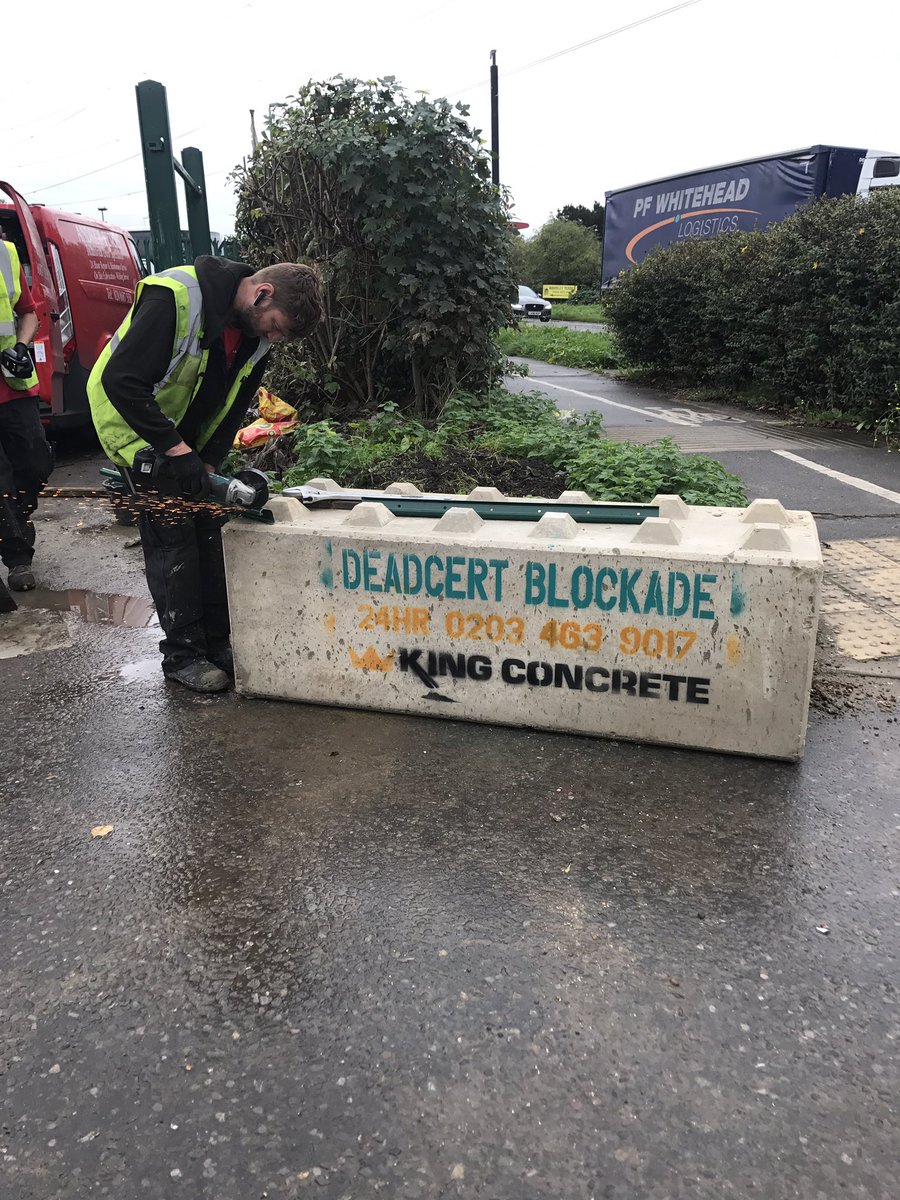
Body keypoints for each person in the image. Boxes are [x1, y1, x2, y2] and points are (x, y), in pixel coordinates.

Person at [88, 256, 322, 693]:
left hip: (185, 438)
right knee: (172, 538)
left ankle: (217, 644)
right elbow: (121, 380)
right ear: (261, 293)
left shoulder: (254, 337)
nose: (272, 336)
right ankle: (182, 655)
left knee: (210, 533)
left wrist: (207, 463)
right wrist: (176, 453)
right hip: (134, 426)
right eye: (273, 325)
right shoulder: (174, 296)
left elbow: (236, 403)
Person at [0, 237, 54, 593]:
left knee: (35, 461)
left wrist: (21, 346)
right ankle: (18, 555)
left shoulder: (5, 253)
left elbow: (29, 312)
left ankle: (19, 518)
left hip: (12, 384)